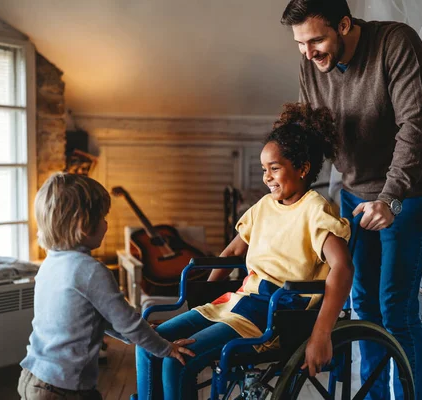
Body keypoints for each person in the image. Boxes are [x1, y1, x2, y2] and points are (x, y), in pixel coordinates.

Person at [135, 103, 354, 400]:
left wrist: (321, 333)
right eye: (265, 169)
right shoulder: (264, 207)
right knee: (147, 343)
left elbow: (343, 268)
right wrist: (203, 305)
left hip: (270, 315)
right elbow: (228, 255)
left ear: (302, 168)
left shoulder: (315, 211)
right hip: (236, 303)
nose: (267, 177)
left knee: (178, 361)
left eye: (274, 168)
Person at [280, 1, 422, 399]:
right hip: (353, 194)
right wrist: (288, 190)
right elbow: (308, 134)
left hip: (404, 196)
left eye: (316, 39)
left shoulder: (395, 44)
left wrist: (389, 199)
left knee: (396, 310)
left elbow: (414, 128)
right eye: (300, 43)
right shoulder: (311, 62)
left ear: (345, 25)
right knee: (364, 309)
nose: (308, 52)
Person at [18, 173, 194, 400]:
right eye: (102, 217)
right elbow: (128, 324)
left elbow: (94, 319)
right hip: (62, 389)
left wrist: (139, 332)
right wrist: (167, 348)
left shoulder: (50, 263)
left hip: (34, 377)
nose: (106, 224)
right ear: (83, 226)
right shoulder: (91, 270)